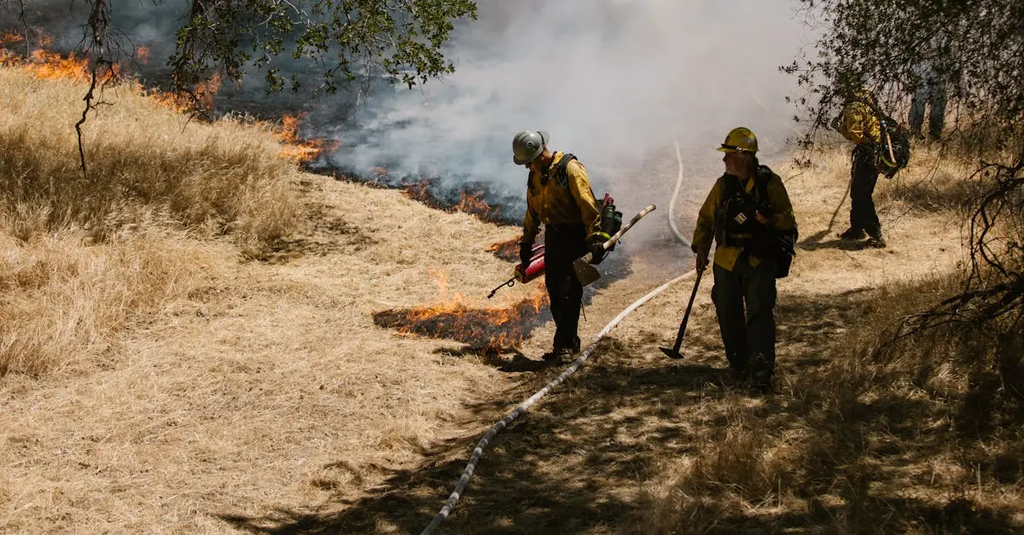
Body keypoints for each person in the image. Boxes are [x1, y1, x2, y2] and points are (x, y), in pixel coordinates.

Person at [691, 127, 796, 392]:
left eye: (729, 155)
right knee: (728, 314)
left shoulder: (770, 184)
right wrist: (701, 248)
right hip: (726, 261)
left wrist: (771, 219)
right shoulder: (723, 186)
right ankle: (739, 366)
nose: (724, 159)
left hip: (759, 260)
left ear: (745, 157)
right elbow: (706, 219)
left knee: (759, 314)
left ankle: (761, 372)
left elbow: (789, 220)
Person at [513, 130, 608, 364]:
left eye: (528, 163)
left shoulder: (570, 169)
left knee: (568, 292)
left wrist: (594, 237)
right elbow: (532, 211)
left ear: (539, 154)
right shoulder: (535, 176)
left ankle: (564, 345)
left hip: (573, 236)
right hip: (553, 238)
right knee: (555, 291)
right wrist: (527, 242)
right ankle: (568, 342)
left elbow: (587, 205)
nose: (527, 167)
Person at [833, 87, 887, 248]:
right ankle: (857, 228)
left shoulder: (853, 108)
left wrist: (839, 128)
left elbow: (856, 136)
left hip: (868, 154)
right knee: (858, 191)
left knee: (861, 194)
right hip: (874, 152)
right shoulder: (865, 96)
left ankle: (876, 235)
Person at [908, 61, 947, 142]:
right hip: (922, 69)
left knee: (937, 103)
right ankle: (916, 132)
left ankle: (934, 134)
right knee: (919, 102)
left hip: (936, 70)